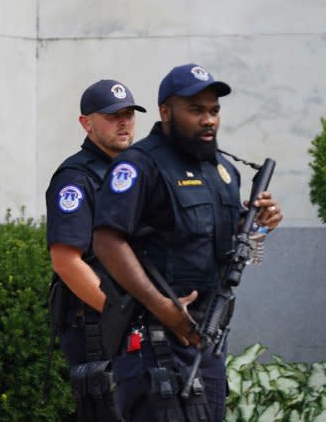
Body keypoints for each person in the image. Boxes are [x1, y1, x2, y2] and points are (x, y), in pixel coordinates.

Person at [92, 64, 283, 421]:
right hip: (154, 340)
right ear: (166, 112)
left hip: (206, 338)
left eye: (214, 110)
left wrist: (261, 222)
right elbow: (107, 239)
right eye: (196, 110)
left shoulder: (224, 170)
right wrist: (161, 306)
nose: (209, 119)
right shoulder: (139, 165)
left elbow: (216, 235)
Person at [45, 79, 146, 419]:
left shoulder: (134, 172)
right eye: (112, 115)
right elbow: (66, 262)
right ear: (86, 123)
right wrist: (122, 313)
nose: (124, 122)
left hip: (138, 320)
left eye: (129, 114)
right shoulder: (75, 178)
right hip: (97, 326)